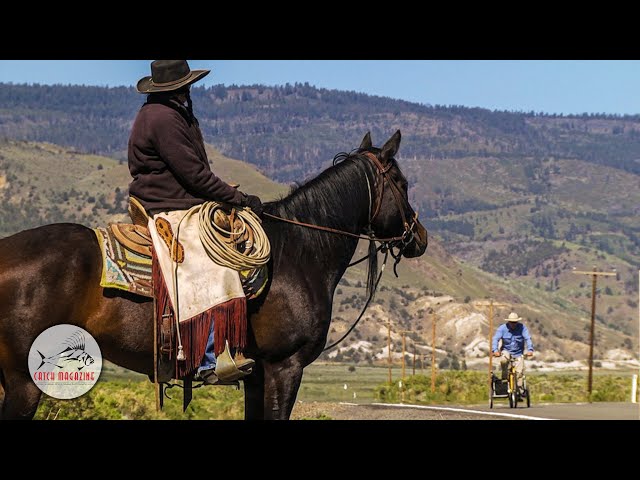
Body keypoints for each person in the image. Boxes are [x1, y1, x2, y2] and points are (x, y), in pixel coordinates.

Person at [128, 60, 260, 385]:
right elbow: (194, 174)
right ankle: (207, 358)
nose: (189, 90)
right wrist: (236, 197)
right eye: (186, 84)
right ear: (178, 87)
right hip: (169, 205)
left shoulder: (167, 113)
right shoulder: (163, 118)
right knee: (212, 263)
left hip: (177, 200)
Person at [492, 312, 534, 388]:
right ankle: (505, 377)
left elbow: (528, 338)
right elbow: (495, 339)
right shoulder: (502, 328)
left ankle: (519, 390)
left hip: (518, 353)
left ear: (517, 322)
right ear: (508, 322)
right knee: (504, 361)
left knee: (519, 372)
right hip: (506, 351)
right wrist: (495, 351)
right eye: (511, 322)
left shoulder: (522, 328)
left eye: (515, 322)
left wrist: (530, 350)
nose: (513, 324)